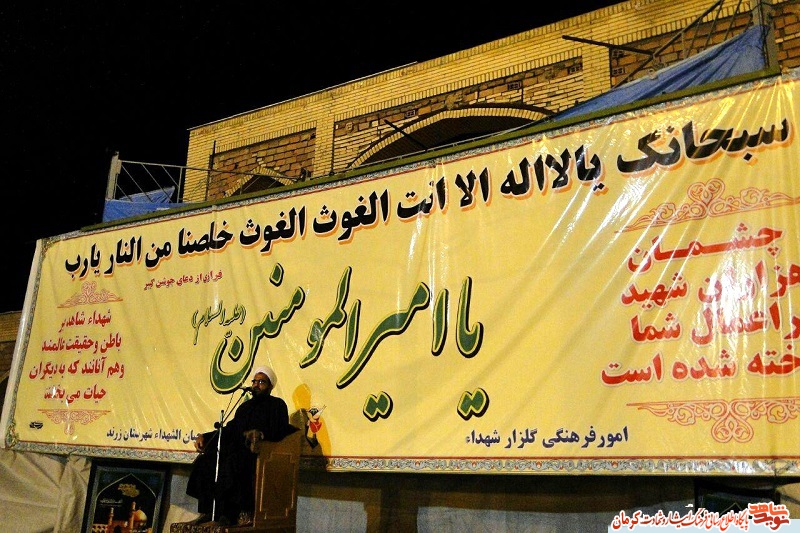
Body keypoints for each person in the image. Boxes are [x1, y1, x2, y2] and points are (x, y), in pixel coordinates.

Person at [186, 365, 295, 526]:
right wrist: (206, 437)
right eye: (254, 381)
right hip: (237, 451)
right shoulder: (245, 407)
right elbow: (230, 430)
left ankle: (236, 513)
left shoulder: (277, 405)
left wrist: (260, 434)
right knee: (206, 460)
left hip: (259, 453)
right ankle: (209, 511)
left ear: (270, 386)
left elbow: (280, 430)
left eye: (261, 382)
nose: (256, 385)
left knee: (234, 461)